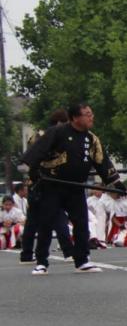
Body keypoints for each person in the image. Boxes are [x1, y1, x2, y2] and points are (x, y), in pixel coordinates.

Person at [21, 102, 122, 274]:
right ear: (75, 118)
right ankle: (42, 262)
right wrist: (34, 171)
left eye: (91, 113)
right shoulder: (57, 132)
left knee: (81, 223)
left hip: (76, 187)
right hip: (52, 186)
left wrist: (116, 182)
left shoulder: (91, 138)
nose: (91, 117)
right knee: (46, 223)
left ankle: (82, 260)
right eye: (87, 114)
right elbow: (36, 152)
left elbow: (101, 161)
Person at [20, 109, 74, 263]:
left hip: (33, 182)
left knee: (32, 220)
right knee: (59, 216)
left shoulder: (35, 135)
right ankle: (68, 251)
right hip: (49, 181)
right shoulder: (54, 136)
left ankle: (26, 254)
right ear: (60, 123)